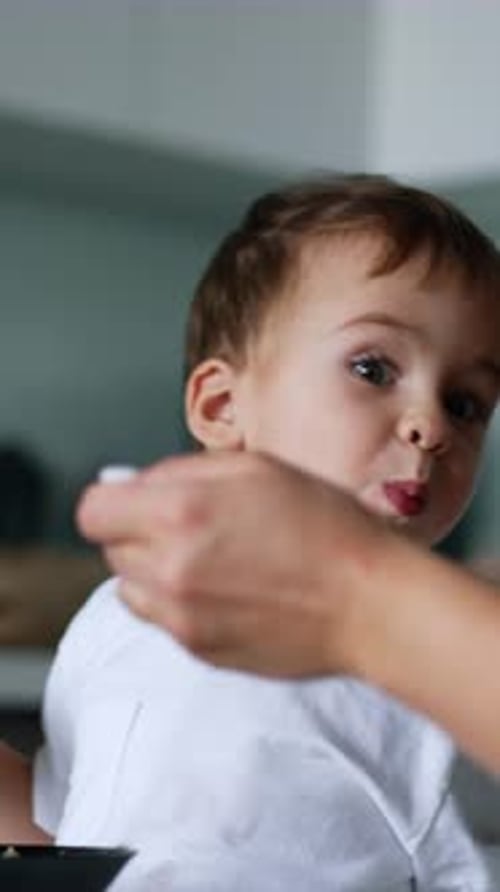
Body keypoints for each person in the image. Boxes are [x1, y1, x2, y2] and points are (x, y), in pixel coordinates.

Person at [6, 174, 500, 890]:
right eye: (373, 367)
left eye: (466, 403)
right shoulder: (117, 614)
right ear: (220, 405)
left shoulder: (437, 657)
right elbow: (85, 837)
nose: (431, 427)